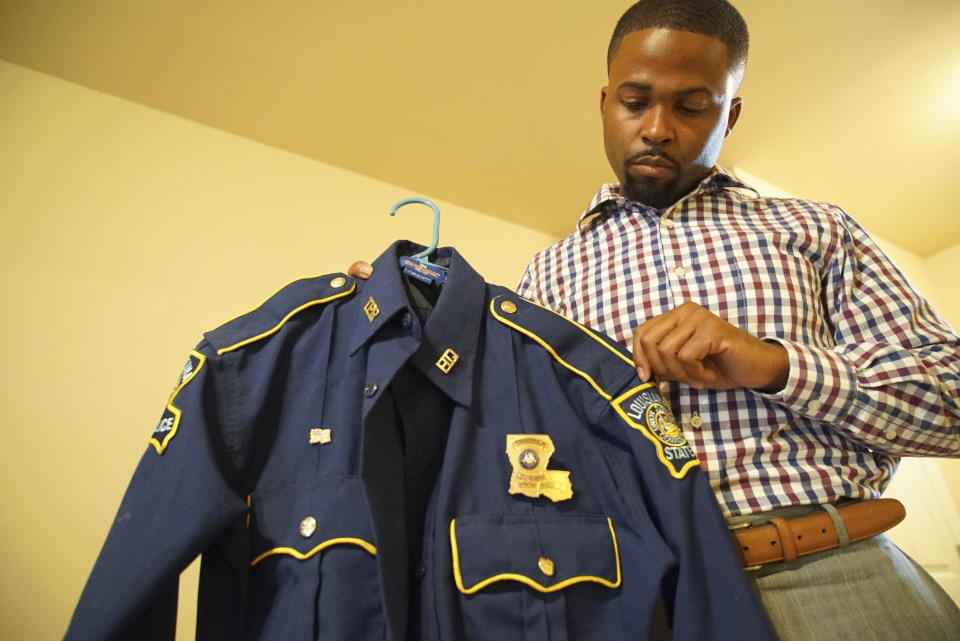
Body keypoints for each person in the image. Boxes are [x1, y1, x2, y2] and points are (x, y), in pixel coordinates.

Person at [351, 1, 960, 639]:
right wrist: (396, 317)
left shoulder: (816, 230)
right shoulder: (545, 277)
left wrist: (774, 364)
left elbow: (950, 399)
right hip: (635, 600)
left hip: (835, 582)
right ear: (605, 101)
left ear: (732, 113)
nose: (658, 129)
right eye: (635, 102)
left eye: (692, 106)